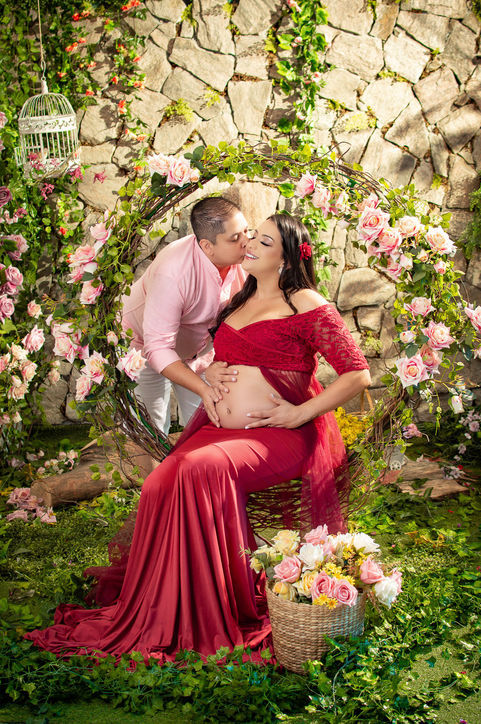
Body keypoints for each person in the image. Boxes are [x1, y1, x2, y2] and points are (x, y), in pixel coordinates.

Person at [25, 214, 371, 663]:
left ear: (286, 259)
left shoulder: (304, 302)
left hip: (279, 435)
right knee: (158, 483)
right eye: (252, 235)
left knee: (196, 469)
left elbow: (357, 373)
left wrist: (300, 412)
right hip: (221, 430)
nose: (249, 244)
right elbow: (225, 356)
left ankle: (214, 607)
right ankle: (161, 605)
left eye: (264, 241)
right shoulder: (241, 295)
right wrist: (211, 372)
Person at [122, 196, 249, 437]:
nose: (246, 242)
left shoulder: (243, 259)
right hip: (143, 346)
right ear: (207, 246)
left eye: (246, 231)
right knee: (151, 427)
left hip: (200, 350)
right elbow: (158, 347)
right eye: (235, 238)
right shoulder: (173, 273)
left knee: (207, 422)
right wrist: (203, 388)